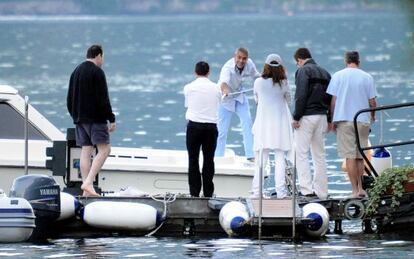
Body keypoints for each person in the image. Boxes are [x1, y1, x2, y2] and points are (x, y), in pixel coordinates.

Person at [66, 44, 116, 197]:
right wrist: (111, 118)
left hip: (79, 119)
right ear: (98, 56)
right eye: (103, 57)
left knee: (86, 151)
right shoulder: (97, 72)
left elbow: (69, 98)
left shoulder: (76, 71)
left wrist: (75, 115)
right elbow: (103, 98)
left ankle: (86, 191)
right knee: (105, 150)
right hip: (95, 119)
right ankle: (88, 182)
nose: (102, 61)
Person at [327, 51, 377, 198]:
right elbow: (372, 102)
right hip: (362, 119)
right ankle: (361, 189)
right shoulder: (367, 77)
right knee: (360, 155)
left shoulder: (337, 76)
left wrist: (332, 120)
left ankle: (354, 190)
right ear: (359, 61)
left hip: (344, 120)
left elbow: (334, 101)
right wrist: (372, 116)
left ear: (346, 61)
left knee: (349, 156)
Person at [251, 54, 293, 198]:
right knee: (280, 158)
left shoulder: (258, 82)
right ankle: (281, 193)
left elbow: (256, 99)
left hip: (263, 126)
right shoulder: (284, 83)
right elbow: (289, 101)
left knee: (261, 160)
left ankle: (257, 192)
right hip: (280, 127)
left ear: (266, 66)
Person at [292, 47, 331, 200]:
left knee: (301, 153)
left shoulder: (303, 71)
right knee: (319, 155)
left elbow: (300, 95)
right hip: (322, 117)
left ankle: (306, 190)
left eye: (297, 63)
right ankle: (322, 192)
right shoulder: (325, 73)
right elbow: (331, 98)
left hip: (306, 117)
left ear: (299, 60)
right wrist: (329, 118)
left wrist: (296, 116)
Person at [215, 47, 260, 161]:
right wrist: (225, 91)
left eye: (244, 58)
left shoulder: (249, 64)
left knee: (248, 123)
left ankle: (251, 155)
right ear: (235, 57)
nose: (241, 61)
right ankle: (218, 157)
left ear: (247, 59)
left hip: (239, 96)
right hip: (225, 99)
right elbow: (223, 83)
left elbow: (256, 77)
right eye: (239, 58)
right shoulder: (227, 67)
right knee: (221, 131)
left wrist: (266, 83)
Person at [184, 61, 221, 197]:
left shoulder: (188, 87)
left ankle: (194, 192)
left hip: (194, 126)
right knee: (208, 160)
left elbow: (187, 104)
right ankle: (208, 193)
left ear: (195, 72)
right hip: (210, 128)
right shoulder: (216, 88)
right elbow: (219, 102)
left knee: (193, 159)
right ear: (208, 72)